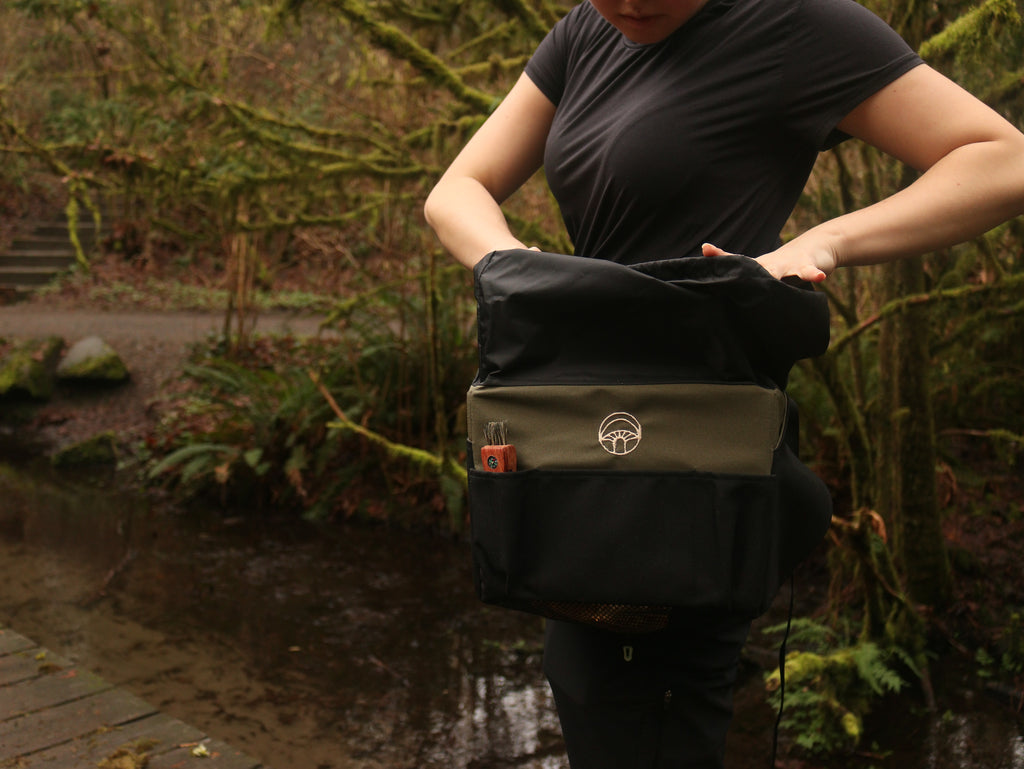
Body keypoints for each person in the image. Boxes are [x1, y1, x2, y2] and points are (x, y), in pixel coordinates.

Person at [424, 1, 1024, 767]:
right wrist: (514, 265)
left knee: (655, 707)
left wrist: (826, 240)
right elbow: (457, 189)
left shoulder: (796, 23)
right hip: (582, 444)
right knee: (588, 687)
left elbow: (1003, 159)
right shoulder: (584, 33)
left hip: (694, 470)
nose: (630, 4)